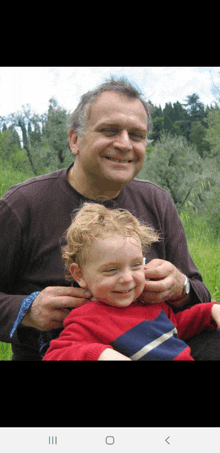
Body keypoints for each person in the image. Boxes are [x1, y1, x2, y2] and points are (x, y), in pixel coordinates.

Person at [0, 76, 218, 361]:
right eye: (109, 130)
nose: (125, 144)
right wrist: (26, 310)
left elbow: (198, 292)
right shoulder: (23, 205)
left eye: (137, 135)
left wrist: (181, 287)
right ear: (75, 140)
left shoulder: (156, 201)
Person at [43, 203, 220, 361]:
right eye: (111, 269)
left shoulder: (149, 303)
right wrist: (99, 354)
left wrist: (210, 310)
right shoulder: (86, 319)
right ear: (79, 275)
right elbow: (55, 354)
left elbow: (176, 326)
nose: (128, 278)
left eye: (136, 265)